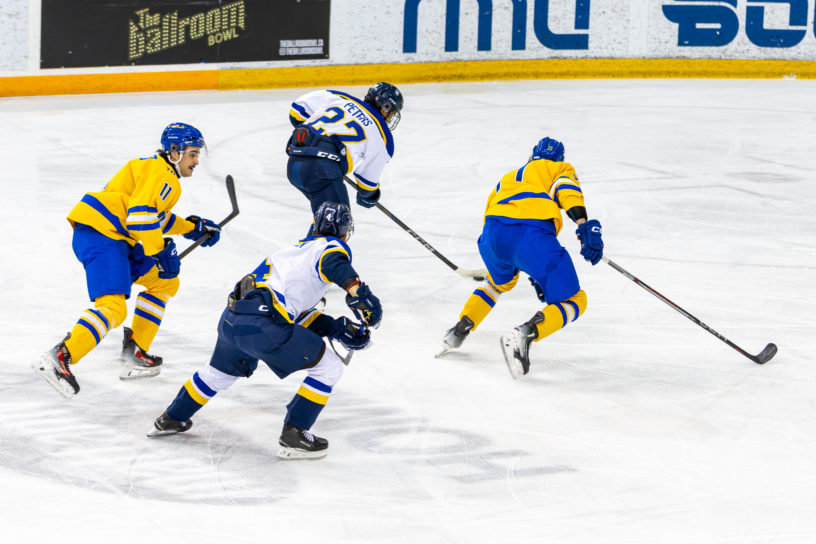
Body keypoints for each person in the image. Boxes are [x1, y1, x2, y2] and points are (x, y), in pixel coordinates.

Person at [146, 202, 383, 460]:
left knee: (216, 375)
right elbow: (334, 262)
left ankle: (170, 418)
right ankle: (295, 434)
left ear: (314, 225)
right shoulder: (330, 247)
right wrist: (358, 292)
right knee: (328, 367)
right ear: (346, 233)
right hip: (265, 325)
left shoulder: (291, 252)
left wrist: (336, 328)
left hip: (233, 319)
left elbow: (294, 312)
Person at [32, 122, 223, 397]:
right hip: (103, 236)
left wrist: (192, 228)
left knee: (164, 282)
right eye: (192, 154)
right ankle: (60, 356)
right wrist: (159, 250)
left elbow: (150, 216)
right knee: (113, 307)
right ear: (174, 151)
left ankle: (135, 351)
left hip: (113, 236)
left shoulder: (153, 168)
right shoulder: (164, 177)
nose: (196, 161)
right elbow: (141, 217)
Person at [439, 137, 604, 378]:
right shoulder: (559, 168)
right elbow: (566, 189)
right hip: (531, 236)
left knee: (498, 283)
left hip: (492, 236)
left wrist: (528, 265)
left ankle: (459, 330)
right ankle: (525, 333)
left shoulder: (508, 177)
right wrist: (583, 223)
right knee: (576, 299)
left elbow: (491, 215)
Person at [285, 82, 403, 231]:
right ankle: (309, 254)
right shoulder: (383, 137)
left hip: (294, 161)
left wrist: (317, 140)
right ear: (385, 107)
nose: (390, 117)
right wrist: (371, 196)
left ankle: (309, 251)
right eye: (391, 112)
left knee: (327, 221)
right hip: (321, 171)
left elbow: (296, 111)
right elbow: (366, 185)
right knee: (336, 224)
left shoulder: (341, 98)